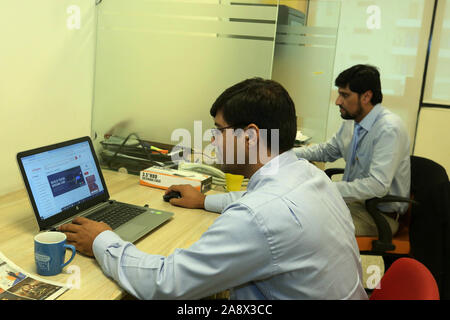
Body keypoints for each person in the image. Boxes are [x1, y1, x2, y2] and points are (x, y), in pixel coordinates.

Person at [59, 78, 367, 300]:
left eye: (218, 131)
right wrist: (205, 199)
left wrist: (102, 240)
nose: (212, 141)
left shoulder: (258, 217)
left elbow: (166, 284)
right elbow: (256, 200)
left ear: (250, 136)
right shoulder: (308, 176)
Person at [294, 64, 411, 237]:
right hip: (353, 205)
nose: (337, 101)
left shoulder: (388, 129)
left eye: (344, 95)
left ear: (366, 96)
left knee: (312, 229)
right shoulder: (352, 122)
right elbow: (328, 150)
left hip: (379, 217)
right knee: (297, 213)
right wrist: (287, 154)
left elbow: (377, 185)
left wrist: (328, 189)